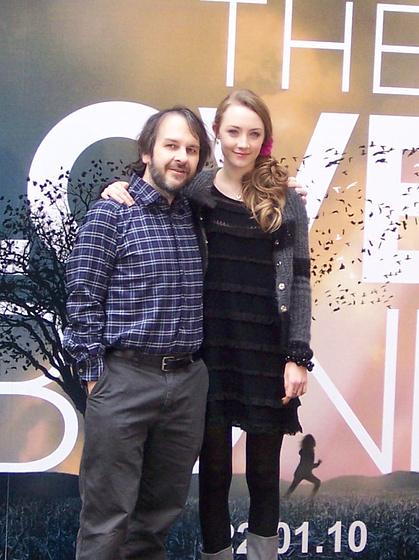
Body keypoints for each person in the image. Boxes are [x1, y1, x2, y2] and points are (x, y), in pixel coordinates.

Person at [102, 89, 313, 560]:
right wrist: (119, 183)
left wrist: (298, 356)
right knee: (213, 472)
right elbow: (154, 187)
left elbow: (300, 281)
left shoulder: (285, 198)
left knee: (263, 471)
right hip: (209, 353)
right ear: (215, 134)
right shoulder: (196, 191)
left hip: (266, 353)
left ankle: (263, 555)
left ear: (265, 140)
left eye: (253, 134)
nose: (242, 142)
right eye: (233, 131)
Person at [63, 106, 212, 560]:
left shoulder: (195, 213)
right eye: (171, 146)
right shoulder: (113, 211)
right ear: (147, 151)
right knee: (107, 521)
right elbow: (82, 294)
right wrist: (95, 377)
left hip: (186, 385)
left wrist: (284, 185)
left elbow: (243, 183)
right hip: (124, 379)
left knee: (157, 522)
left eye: (191, 149)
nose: (181, 157)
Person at [285, 434, 322, 498]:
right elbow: (309, 465)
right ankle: (311, 498)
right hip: (306, 473)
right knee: (317, 483)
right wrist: (317, 464)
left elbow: (306, 463)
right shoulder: (309, 452)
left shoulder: (304, 450)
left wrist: (316, 464)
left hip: (300, 472)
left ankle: (284, 498)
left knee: (291, 489)